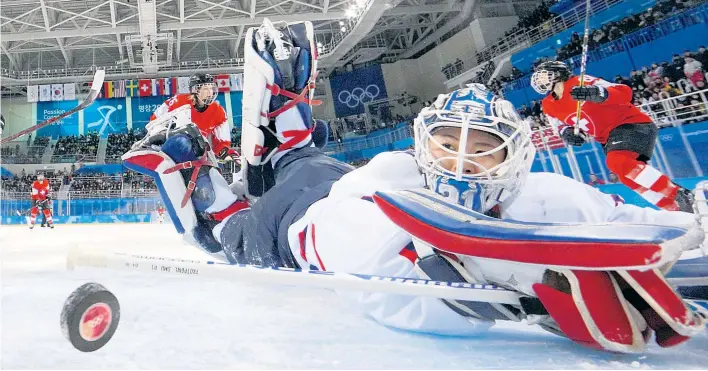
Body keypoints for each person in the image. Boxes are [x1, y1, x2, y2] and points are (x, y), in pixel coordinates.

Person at [123, 19, 707, 354]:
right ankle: (182, 163)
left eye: (480, 148)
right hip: (297, 218)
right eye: (447, 144)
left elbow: (637, 229)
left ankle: (285, 131)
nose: (458, 160)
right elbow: (383, 290)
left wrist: (691, 234)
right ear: (422, 145)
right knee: (225, 235)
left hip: (324, 175)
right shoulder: (387, 186)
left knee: (302, 161)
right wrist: (518, 292)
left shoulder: (547, 195)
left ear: (514, 157)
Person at [530, 61, 693, 212]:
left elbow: (625, 92)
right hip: (608, 138)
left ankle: (680, 194)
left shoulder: (581, 81)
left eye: (543, 73)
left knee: (616, 162)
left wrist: (600, 93)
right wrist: (566, 133)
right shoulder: (548, 104)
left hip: (631, 123)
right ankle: (677, 210)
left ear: (558, 73)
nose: (539, 78)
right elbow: (557, 124)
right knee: (627, 177)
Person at [150, 73, 237, 162]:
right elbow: (154, 119)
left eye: (211, 88)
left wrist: (227, 155)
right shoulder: (179, 101)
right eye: (205, 88)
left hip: (197, 155)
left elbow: (221, 143)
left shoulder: (218, 111)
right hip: (173, 151)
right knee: (184, 140)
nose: (210, 92)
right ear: (195, 90)